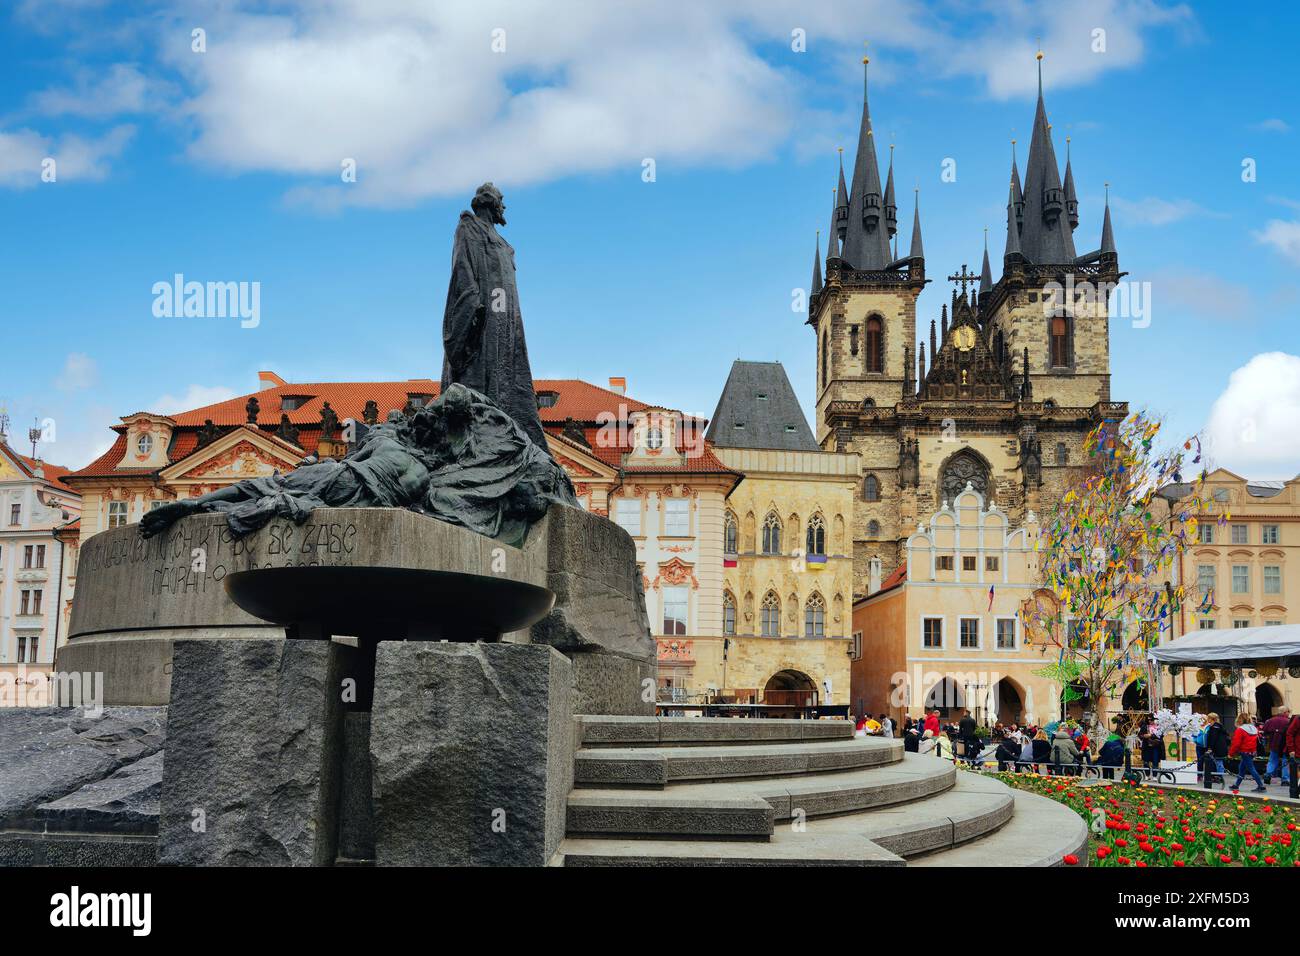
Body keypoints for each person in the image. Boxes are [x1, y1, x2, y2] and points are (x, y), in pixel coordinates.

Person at [1229, 712, 1267, 793]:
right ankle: (1236, 785)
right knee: (1242, 768)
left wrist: (1231, 754)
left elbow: (1236, 743)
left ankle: (1261, 786)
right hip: (1252, 751)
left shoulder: (1240, 729)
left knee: (1251, 768)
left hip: (1244, 751)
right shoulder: (1254, 729)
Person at [1261, 706, 1292, 786]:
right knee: (1285, 762)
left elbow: (1264, 731)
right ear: (1285, 712)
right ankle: (1285, 779)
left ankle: (1268, 775)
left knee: (1272, 760)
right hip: (1285, 746)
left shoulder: (1270, 720)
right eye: (1288, 712)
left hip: (1273, 744)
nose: (1289, 713)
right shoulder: (1289, 721)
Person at [1202, 712, 1230, 789]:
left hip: (1217, 748)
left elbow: (1212, 739)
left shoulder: (1214, 727)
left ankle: (1220, 777)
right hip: (1222, 748)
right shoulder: (1220, 726)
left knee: (1218, 762)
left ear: (1211, 719)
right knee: (1218, 762)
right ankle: (1219, 776)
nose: (1207, 720)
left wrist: (1210, 748)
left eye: (1208, 718)